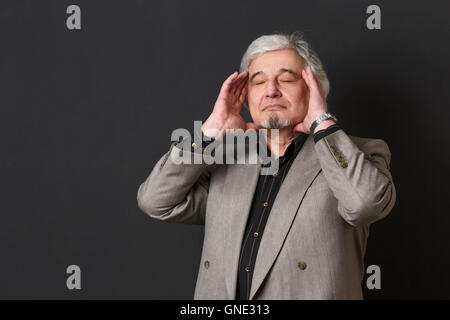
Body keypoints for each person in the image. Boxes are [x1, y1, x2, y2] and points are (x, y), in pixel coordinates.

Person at [137, 31, 396, 300]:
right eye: (258, 82)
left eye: (286, 79)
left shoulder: (360, 153)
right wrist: (210, 131)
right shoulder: (224, 160)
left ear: (314, 88)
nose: (271, 90)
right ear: (247, 97)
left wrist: (322, 123)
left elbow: (365, 205)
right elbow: (155, 201)